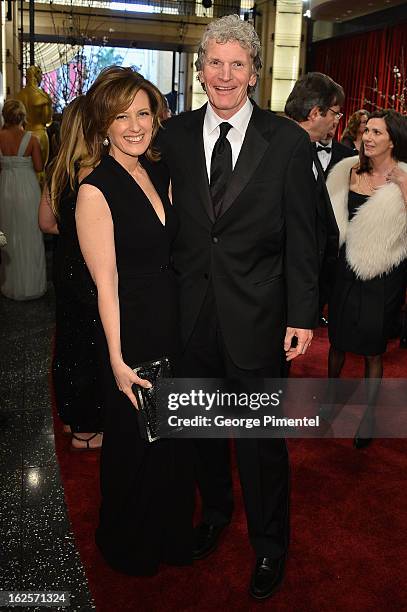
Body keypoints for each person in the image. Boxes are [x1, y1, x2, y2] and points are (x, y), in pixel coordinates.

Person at [157, 15, 319, 600]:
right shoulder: (172, 137)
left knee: (258, 444)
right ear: (200, 72)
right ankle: (216, 515)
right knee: (203, 431)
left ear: (254, 74)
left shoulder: (288, 142)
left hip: (259, 319)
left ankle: (270, 546)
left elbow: (306, 237)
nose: (224, 76)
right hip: (191, 316)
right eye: (214, 63)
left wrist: (302, 314)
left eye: (237, 65)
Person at [76, 67, 193, 575]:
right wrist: (119, 362)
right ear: (104, 124)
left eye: (142, 113)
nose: (134, 125)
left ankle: (169, 533)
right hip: (131, 333)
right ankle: (129, 542)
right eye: (121, 115)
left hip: (172, 322)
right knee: (134, 445)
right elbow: (106, 284)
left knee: (171, 440)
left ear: (156, 117)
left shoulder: (159, 171)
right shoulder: (95, 190)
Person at [327, 110, 407, 448]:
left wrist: (403, 185)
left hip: (384, 275)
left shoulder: (405, 177)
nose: (368, 138)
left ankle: (369, 415)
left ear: (393, 140)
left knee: (374, 349)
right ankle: (329, 402)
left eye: (377, 132)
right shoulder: (346, 171)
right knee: (337, 341)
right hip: (345, 272)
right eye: (366, 131)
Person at [38, 96, 103, 450]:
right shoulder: (93, 171)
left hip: (64, 265)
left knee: (68, 339)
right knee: (91, 344)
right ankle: (86, 427)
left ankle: (71, 416)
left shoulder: (58, 166)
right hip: (87, 267)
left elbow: (45, 223)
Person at [284, 72, 344, 328]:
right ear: (315, 113)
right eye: (335, 113)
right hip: (278, 290)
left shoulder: (304, 147)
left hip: (301, 287)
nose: (336, 121)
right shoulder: (280, 150)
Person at [0, 99, 46, 300]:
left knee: (9, 233)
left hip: (5, 189)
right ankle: (31, 285)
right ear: (22, 116)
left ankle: (10, 284)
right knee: (30, 234)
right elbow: (38, 167)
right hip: (27, 189)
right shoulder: (32, 139)